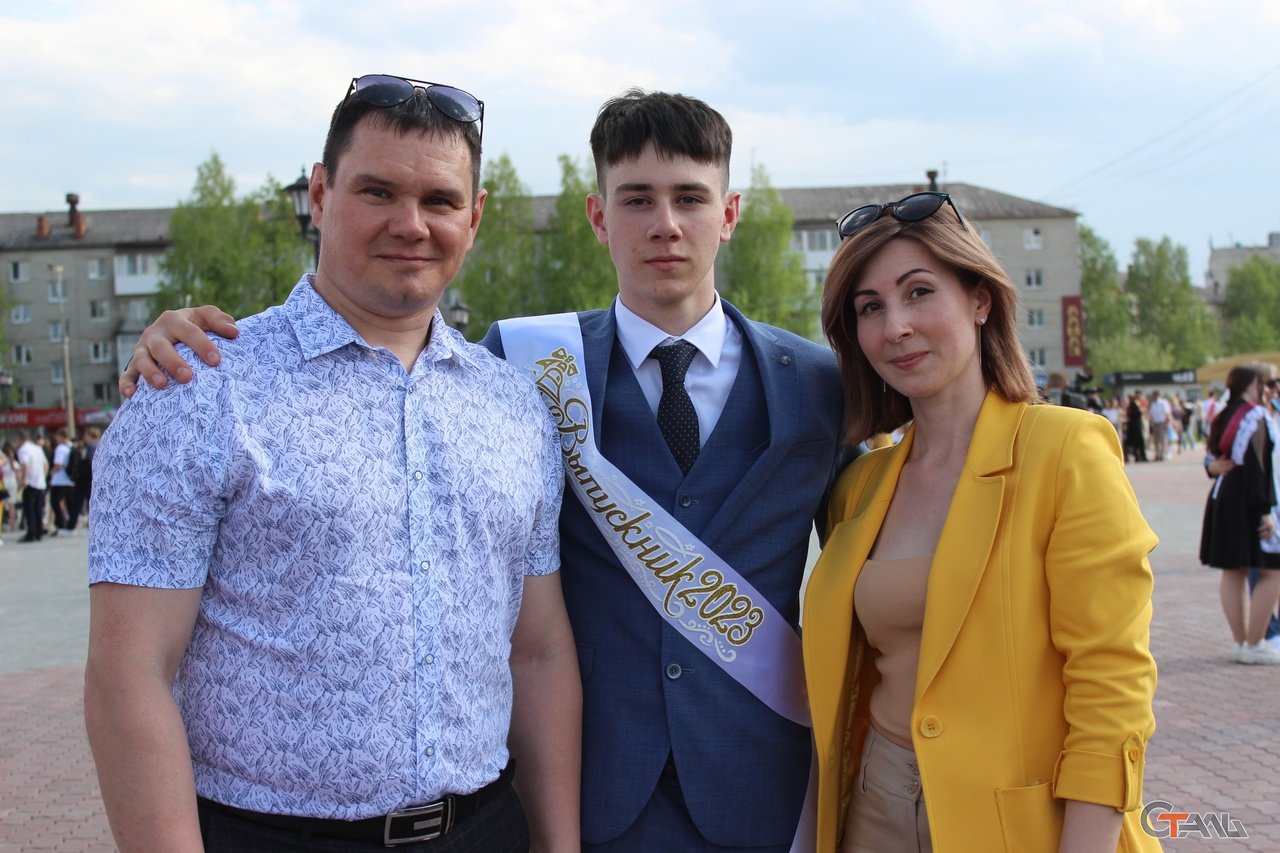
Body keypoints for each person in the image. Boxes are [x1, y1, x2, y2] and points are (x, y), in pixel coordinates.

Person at [120, 89, 845, 852]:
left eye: (690, 198)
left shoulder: (819, 386)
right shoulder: (527, 367)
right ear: (598, 217)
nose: (665, 223)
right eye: (637, 199)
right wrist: (172, 341)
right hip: (594, 795)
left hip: (754, 785)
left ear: (729, 214)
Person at [85, 73, 581, 852]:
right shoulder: (197, 388)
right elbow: (129, 674)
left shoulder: (514, 406)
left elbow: (539, 651)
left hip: (485, 829)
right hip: (271, 835)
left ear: (475, 216)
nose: (410, 224)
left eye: (440, 200)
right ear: (319, 194)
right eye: (378, 191)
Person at [804, 191, 1159, 851]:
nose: (895, 327)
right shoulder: (859, 486)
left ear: (980, 299)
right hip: (872, 813)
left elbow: (1111, 687)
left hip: (1022, 824)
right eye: (870, 307)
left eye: (918, 292)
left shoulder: (1066, 450)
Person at [1199, 364, 1280, 665]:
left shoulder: (1223, 415)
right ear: (1252, 384)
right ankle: (1255, 642)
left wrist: (1213, 468)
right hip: (1249, 498)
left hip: (1224, 496)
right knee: (1271, 571)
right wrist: (1265, 511)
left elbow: (1213, 459)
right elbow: (1259, 466)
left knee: (1233, 571)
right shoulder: (1254, 415)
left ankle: (1241, 641)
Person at [15, 430, 48, 543]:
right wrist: (43, 477)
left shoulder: (23, 450)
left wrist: (23, 480)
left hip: (30, 482)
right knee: (38, 509)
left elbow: (25, 465)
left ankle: (31, 533)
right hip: (40, 482)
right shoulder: (37, 448)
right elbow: (45, 465)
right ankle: (39, 532)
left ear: (19, 439)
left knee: (29, 509)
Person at [48, 427, 76, 533]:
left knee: (55, 502)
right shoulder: (71, 446)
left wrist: (51, 473)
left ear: (60, 436)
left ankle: (61, 524)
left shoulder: (60, 448)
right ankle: (71, 525)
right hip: (70, 480)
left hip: (59, 480)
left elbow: (58, 465)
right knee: (70, 503)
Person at [71, 426, 99, 527]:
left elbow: (91, 461)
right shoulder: (99, 444)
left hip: (86, 478)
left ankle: (73, 523)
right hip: (93, 477)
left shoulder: (90, 446)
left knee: (80, 501)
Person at [1148, 390, 1171, 461]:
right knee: (1156, 440)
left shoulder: (1163, 403)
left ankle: (1163, 454)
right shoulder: (1152, 404)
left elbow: (1167, 413)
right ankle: (1158, 454)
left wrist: (1166, 423)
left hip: (1162, 423)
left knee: (1162, 439)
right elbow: (1151, 414)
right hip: (1155, 423)